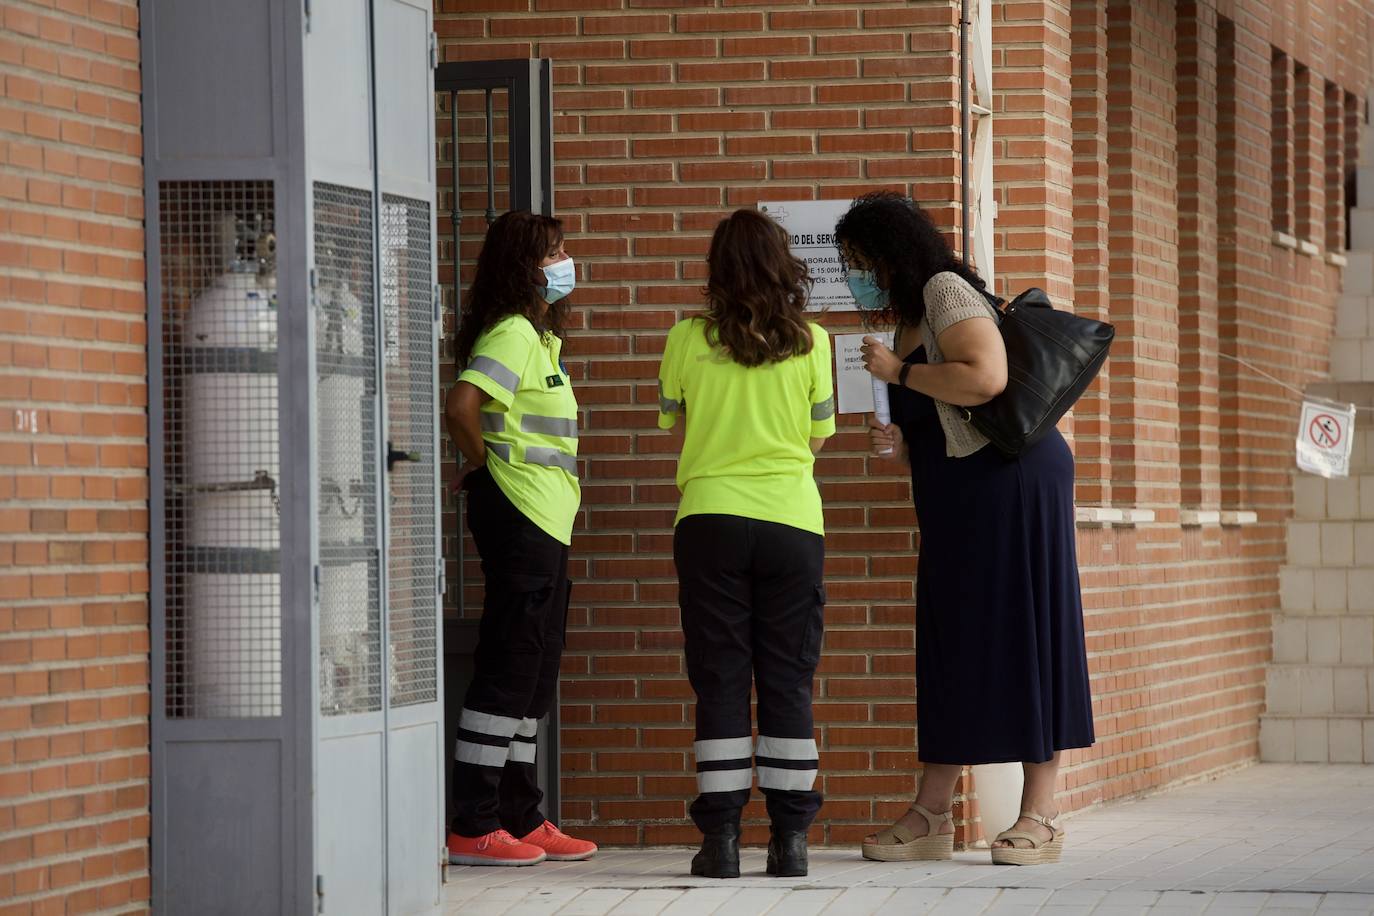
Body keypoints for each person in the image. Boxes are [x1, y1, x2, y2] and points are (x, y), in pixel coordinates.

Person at [836, 192, 1095, 866]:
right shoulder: (908, 320)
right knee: (952, 642)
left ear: (894, 253)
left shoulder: (947, 291)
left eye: (862, 261)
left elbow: (986, 377)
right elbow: (935, 408)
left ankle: (1041, 813)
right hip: (957, 499)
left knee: (1028, 631)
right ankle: (932, 814)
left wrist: (901, 374)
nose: (857, 275)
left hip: (1011, 484)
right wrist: (893, 433)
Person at [656, 209, 836, 879]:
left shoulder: (684, 338)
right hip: (793, 521)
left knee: (721, 679)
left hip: (709, 519)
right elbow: (819, 438)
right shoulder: (813, 342)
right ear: (782, 265)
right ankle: (790, 842)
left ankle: (721, 840)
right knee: (788, 678)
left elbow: (676, 422)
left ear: (717, 269)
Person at [444, 210, 597, 867]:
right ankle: (473, 822)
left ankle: (521, 816)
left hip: (545, 520)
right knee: (509, 669)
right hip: (520, 515)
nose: (564, 261)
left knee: (533, 674)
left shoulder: (539, 340)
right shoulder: (510, 333)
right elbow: (461, 407)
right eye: (553, 251)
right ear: (523, 266)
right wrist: (486, 467)